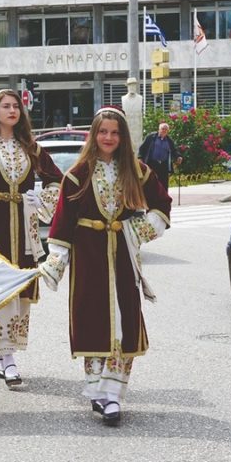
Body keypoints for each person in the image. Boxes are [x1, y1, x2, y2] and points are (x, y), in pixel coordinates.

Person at [39, 107, 172, 426]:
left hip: (123, 254)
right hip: (88, 255)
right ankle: (97, 390)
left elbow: (161, 203)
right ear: (93, 135)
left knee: (125, 316)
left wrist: (140, 231)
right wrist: (56, 261)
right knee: (92, 315)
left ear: (123, 137)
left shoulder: (137, 171)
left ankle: (113, 394)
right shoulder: (78, 175)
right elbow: (62, 222)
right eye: (103, 132)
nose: (109, 137)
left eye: (115, 132)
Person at [0, 89, 63, 387]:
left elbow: (57, 180)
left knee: (20, 293)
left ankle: (9, 353)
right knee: (0, 291)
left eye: (16, 106)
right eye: (6, 106)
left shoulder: (32, 148)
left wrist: (39, 198)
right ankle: (4, 355)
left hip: (25, 230)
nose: (12, 111)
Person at [137, 122, 183, 190]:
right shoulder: (151, 137)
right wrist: (140, 158)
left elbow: (174, 150)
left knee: (164, 184)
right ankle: (151, 199)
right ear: (159, 129)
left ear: (168, 131)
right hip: (152, 163)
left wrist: (178, 157)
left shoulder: (169, 140)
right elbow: (142, 148)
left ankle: (163, 199)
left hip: (163, 165)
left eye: (166, 129)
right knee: (151, 183)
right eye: (162, 129)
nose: (164, 130)